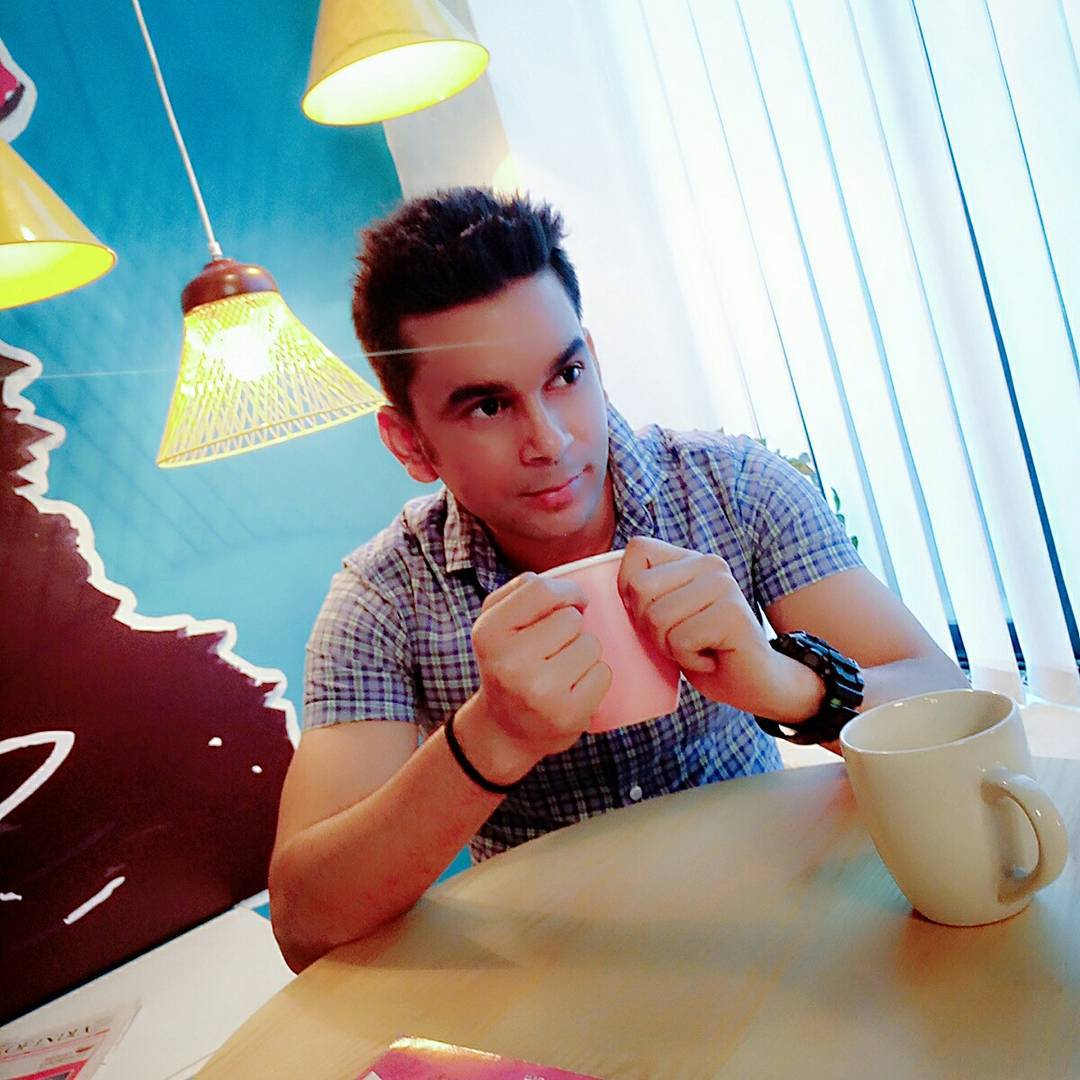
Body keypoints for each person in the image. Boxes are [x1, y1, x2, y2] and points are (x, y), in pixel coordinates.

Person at [268, 188, 965, 972]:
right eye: (488, 406)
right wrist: (491, 737)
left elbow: (945, 702)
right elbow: (305, 922)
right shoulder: (384, 599)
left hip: (774, 929)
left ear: (593, 361)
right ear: (410, 444)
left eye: (565, 375)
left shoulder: (735, 490)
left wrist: (785, 683)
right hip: (551, 971)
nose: (550, 440)